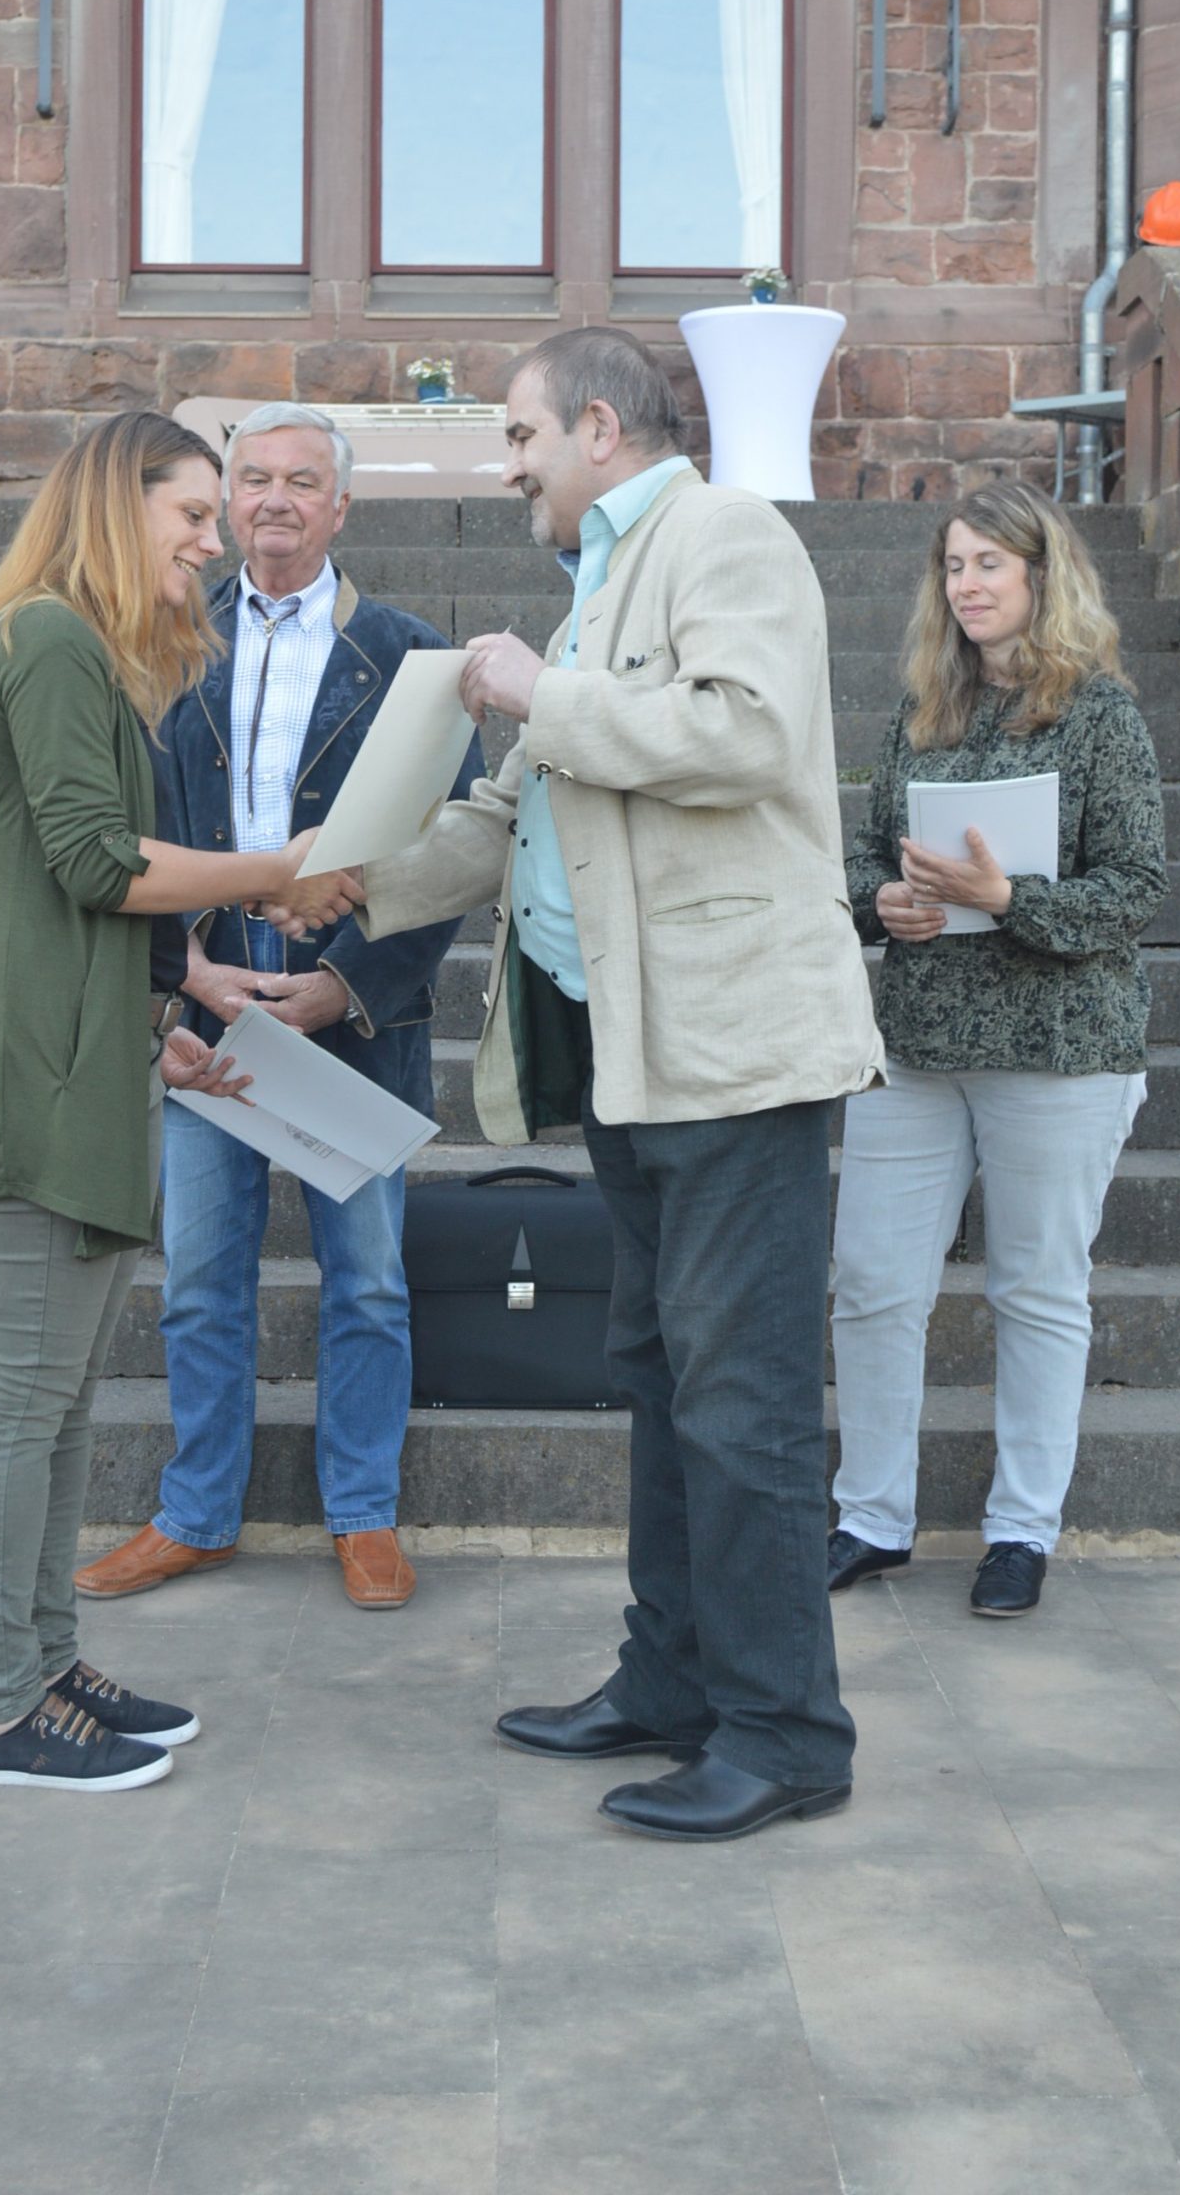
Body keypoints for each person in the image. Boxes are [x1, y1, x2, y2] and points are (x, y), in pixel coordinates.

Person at [353, 327, 884, 1842]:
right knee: (661, 1374)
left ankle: (782, 1733)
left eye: (518, 435)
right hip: (637, 1054)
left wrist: (540, 692)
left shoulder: (727, 534)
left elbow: (745, 733)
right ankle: (672, 1682)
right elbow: (513, 809)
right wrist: (340, 884)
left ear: (598, 425)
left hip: (733, 1055)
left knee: (742, 1400)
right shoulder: (598, 577)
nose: (505, 466)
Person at [0, 413, 359, 1794]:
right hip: (32, 1076)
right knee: (17, 1400)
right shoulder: (44, 637)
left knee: (59, 1402)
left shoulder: (76, 649)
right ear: (116, 504)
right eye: (192, 512)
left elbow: (77, 896)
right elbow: (97, 863)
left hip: (82, 1062)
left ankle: (45, 1665)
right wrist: (273, 868)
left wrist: (162, 1024)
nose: (214, 541)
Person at [75, 402, 483, 1613]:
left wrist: (349, 979)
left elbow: (454, 845)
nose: (273, 500)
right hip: (205, 989)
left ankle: (363, 1512)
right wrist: (183, 970)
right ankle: (197, 1512)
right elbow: (121, 825)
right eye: (252, 478)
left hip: (352, 999)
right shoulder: (160, 633)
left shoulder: (408, 653)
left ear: (340, 505)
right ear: (225, 499)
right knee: (201, 1276)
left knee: (368, 1280)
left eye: (302, 480)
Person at [828, 479, 1167, 1617]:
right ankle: (870, 1517)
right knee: (873, 1285)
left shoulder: (1101, 715)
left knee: (1037, 1293)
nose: (967, 584)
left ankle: (1021, 1531)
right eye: (953, 565)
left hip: (1059, 1049)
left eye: (988, 564)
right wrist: (884, 902)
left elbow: (1135, 888)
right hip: (918, 1044)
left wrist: (1007, 898)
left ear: (1040, 574)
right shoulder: (921, 710)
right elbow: (864, 858)